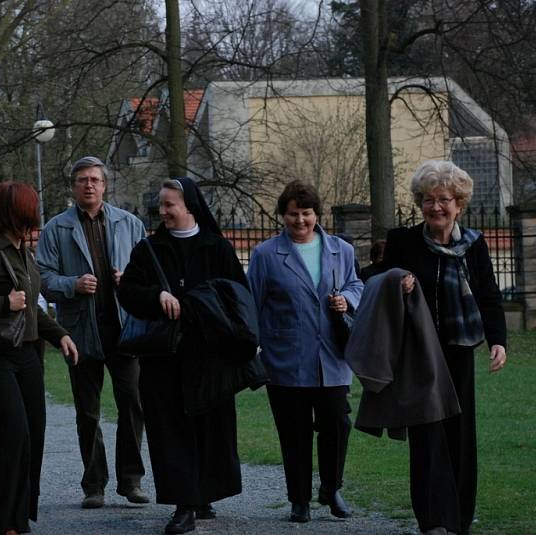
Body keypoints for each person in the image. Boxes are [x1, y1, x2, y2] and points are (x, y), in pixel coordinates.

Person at [117, 177, 265, 535]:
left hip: (210, 356)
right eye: (161, 205)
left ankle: (204, 494)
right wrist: (157, 296)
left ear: (189, 207)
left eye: (169, 204)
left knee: (210, 427)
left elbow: (238, 298)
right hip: (165, 358)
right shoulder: (149, 249)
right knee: (171, 430)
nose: (163, 211)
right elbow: (128, 292)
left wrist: (200, 306)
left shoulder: (217, 247)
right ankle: (183, 504)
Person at [382, 160, 507, 535]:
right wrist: (395, 279)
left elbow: (488, 294)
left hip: (459, 349)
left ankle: (460, 517)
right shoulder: (402, 241)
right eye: (428, 200)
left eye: (444, 200)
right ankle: (432, 519)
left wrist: (498, 340)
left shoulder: (474, 244)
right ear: (420, 203)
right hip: (418, 352)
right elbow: (373, 278)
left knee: (460, 433)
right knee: (426, 435)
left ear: (459, 204)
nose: (435, 207)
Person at [0, 181, 78, 535]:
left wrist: (61, 334)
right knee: (13, 436)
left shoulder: (25, 253)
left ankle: (19, 519)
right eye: (29, 210)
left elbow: (33, 309)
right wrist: (2, 303)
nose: (34, 217)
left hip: (27, 355)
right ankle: (5, 523)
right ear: (16, 212)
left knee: (33, 436)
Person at [247, 180, 363, 524]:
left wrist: (348, 300)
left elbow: (357, 284)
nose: (300, 221)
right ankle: (299, 499)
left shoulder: (342, 250)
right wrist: (252, 348)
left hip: (332, 357)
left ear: (317, 214)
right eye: (293, 214)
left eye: (306, 214)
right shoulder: (266, 254)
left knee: (337, 425)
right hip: (285, 359)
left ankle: (332, 489)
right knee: (294, 433)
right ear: (282, 215)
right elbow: (252, 303)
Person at [36, 156, 148, 509]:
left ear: (104, 185)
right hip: (80, 331)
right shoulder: (56, 228)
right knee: (88, 411)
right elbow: (43, 278)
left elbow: (149, 273)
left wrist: (128, 281)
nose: (89, 185)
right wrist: (72, 284)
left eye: (95, 180)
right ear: (73, 186)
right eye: (82, 179)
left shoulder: (130, 223)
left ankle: (131, 481)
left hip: (124, 329)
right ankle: (94, 484)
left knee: (132, 404)